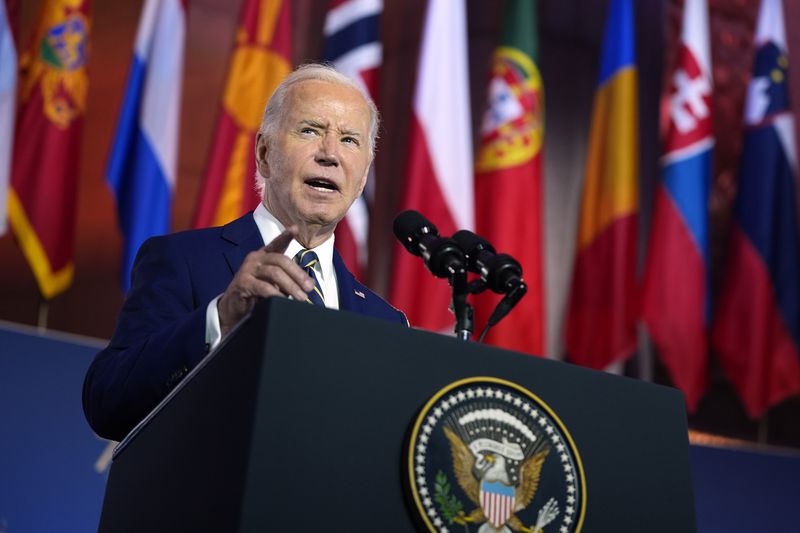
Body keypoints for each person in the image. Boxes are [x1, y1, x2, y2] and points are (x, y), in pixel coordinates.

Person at [83, 64, 407, 441]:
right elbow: (107, 402)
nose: (330, 154)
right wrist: (221, 317)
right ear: (265, 154)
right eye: (310, 130)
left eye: (350, 140)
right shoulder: (182, 261)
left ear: (363, 175)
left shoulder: (385, 322)